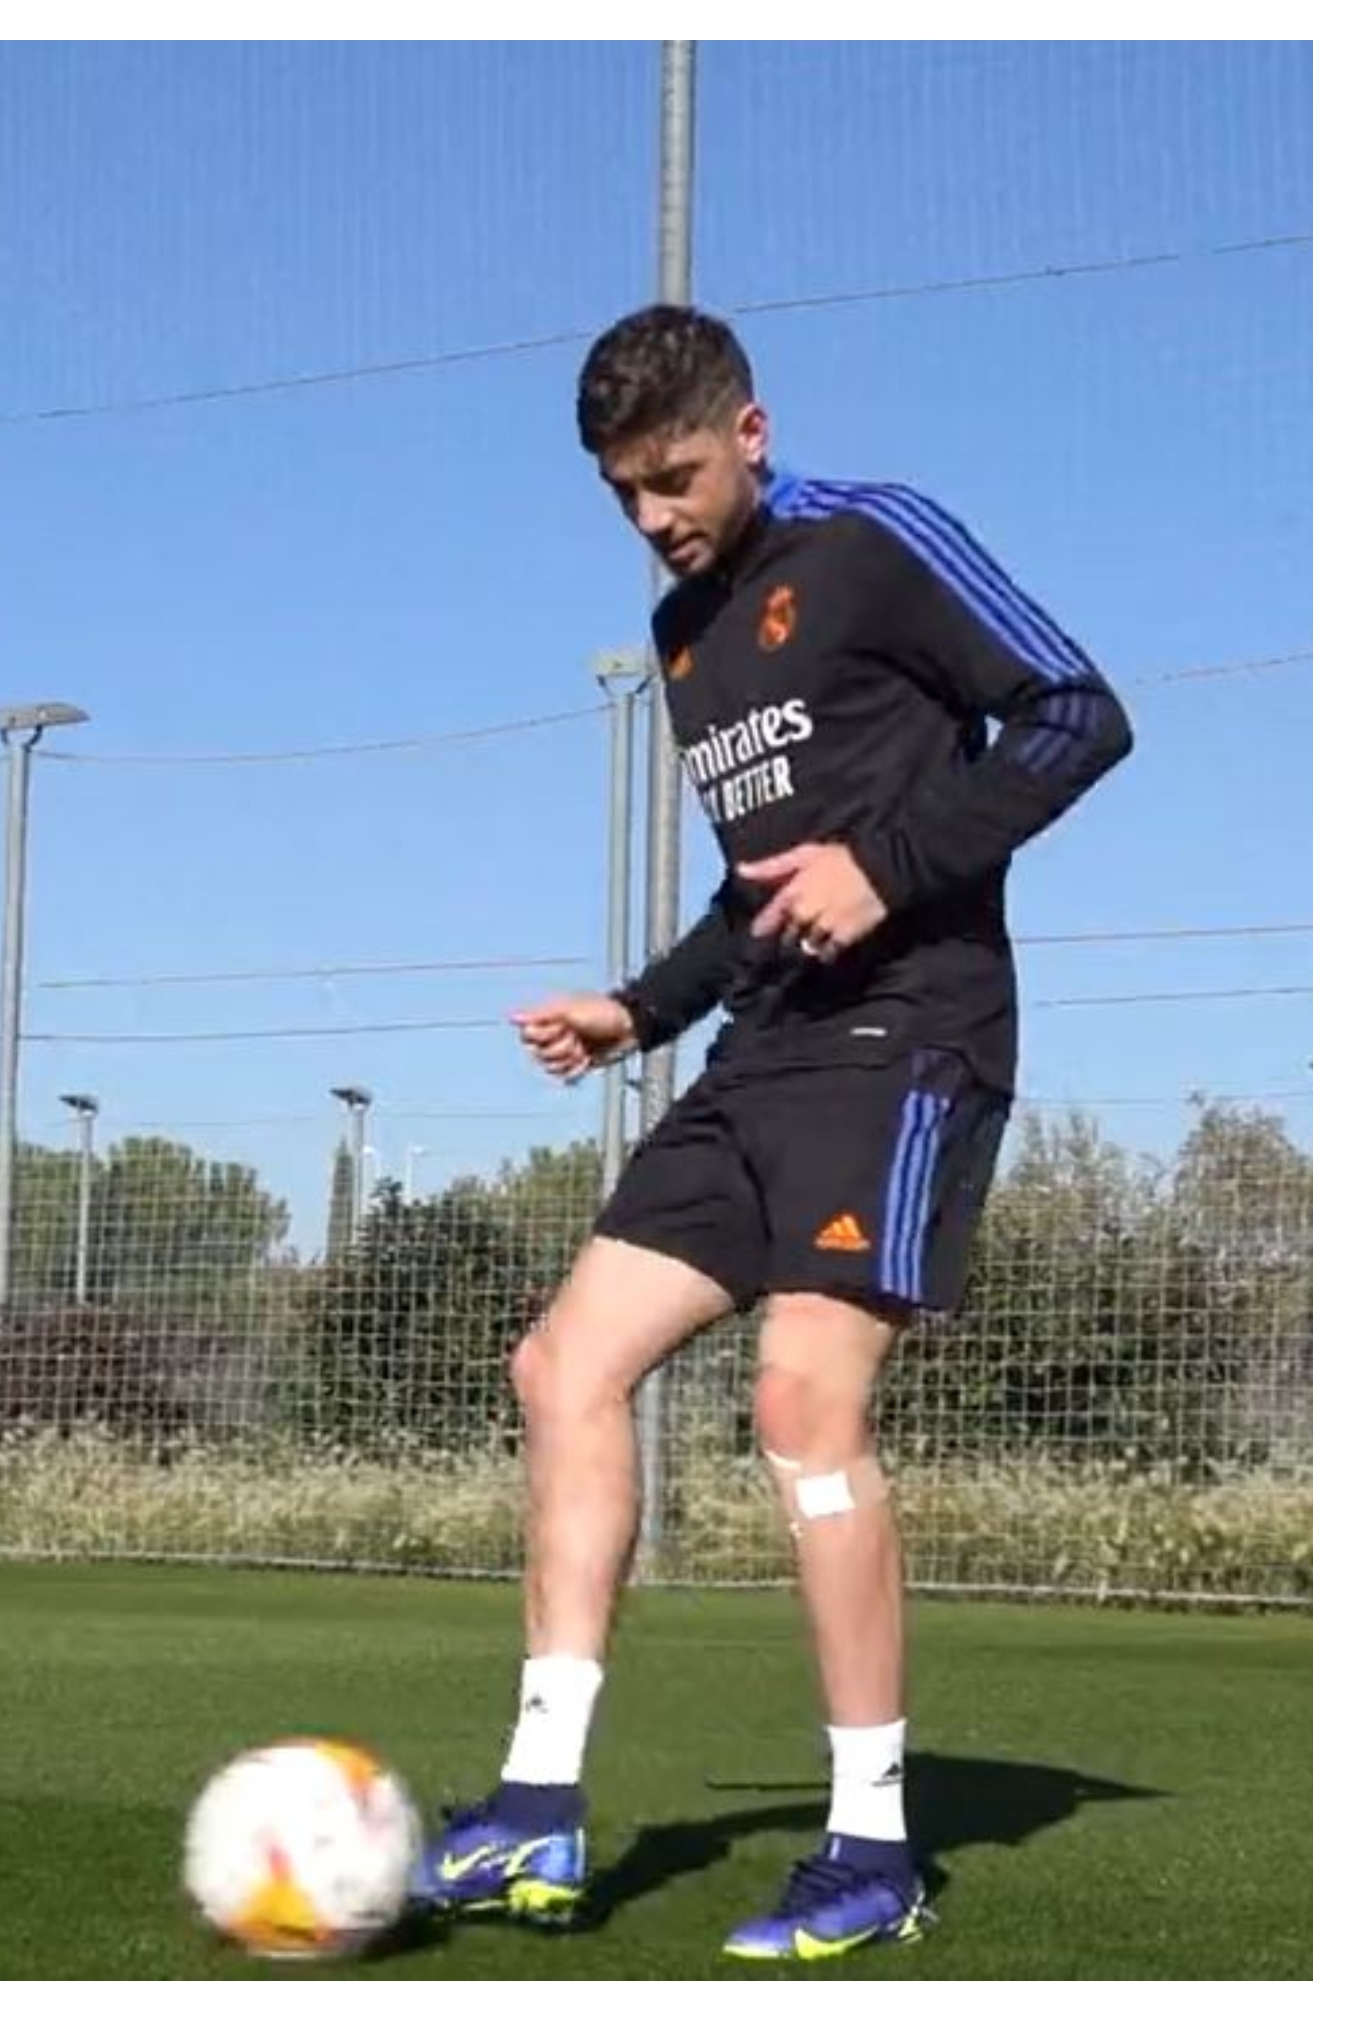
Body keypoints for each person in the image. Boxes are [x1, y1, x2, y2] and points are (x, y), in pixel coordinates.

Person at [407, 305, 1131, 1959]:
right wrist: (633, 1010)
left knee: (800, 1404)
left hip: (913, 1035)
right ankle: (531, 1815)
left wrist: (887, 864)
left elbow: (1075, 713)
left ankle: (870, 1848)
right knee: (557, 1370)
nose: (652, 516)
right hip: (760, 1051)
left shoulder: (873, 539)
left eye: (670, 476)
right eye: (619, 494)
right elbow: (758, 899)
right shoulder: (682, 638)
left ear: (745, 429)